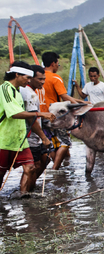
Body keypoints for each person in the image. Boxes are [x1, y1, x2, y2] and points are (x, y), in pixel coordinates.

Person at [0, 62, 55, 195]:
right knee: (1, 173)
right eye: (27, 77)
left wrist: (43, 138)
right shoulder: (5, 89)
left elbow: (29, 118)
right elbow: (14, 114)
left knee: (30, 168)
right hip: (4, 140)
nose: (29, 80)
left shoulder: (18, 92)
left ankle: (24, 198)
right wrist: (40, 113)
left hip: (20, 140)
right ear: (17, 74)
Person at [40, 51, 87, 170]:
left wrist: (82, 102)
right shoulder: (55, 77)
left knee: (50, 142)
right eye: (57, 64)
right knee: (65, 142)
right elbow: (64, 97)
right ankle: (55, 169)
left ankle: (64, 164)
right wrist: (80, 105)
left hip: (40, 115)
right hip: (55, 116)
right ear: (53, 64)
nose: (57, 66)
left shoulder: (38, 77)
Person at [19, 65, 54, 189]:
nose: (42, 82)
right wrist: (44, 137)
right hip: (31, 136)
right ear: (30, 78)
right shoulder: (29, 94)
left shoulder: (30, 91)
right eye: (39, 79)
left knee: (44, 160)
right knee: (33, 166)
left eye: (43, 79)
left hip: (34, 135)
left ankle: (30, 187)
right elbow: (31, 118)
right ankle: (26, 192)